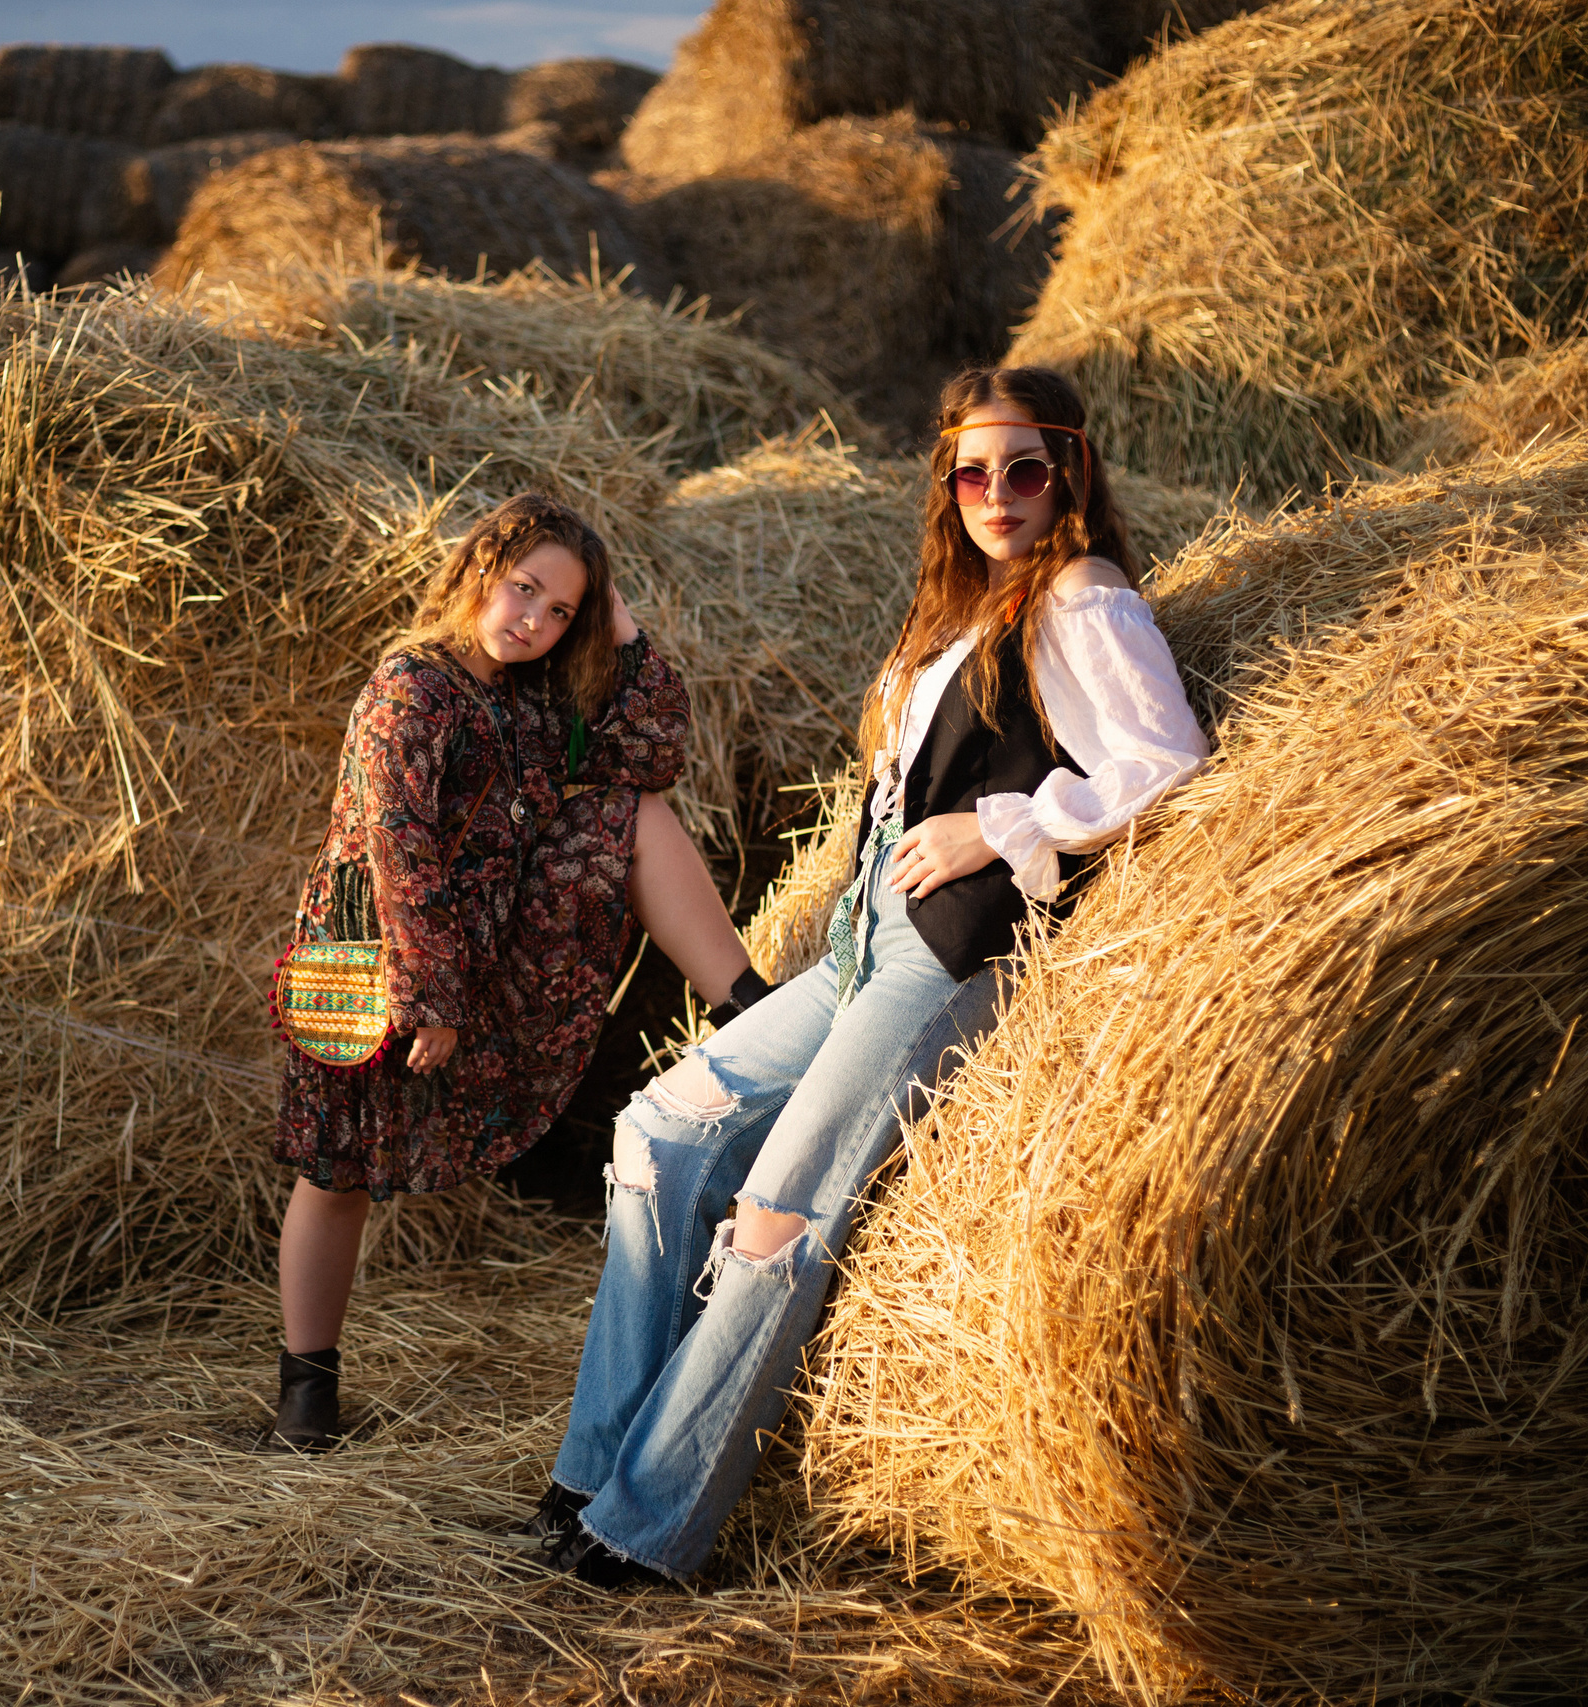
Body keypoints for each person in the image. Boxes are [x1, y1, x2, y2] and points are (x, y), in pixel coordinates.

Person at [527, 367, 1213, 1585]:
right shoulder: (955, 607)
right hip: (860, 940)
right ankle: (587, 1471)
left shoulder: (1082, 598)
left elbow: (1165, 760)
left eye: (1025, 469)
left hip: (956, 950)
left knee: (778, 1218)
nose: (995, 494)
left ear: (1073, 471)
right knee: (660, 1135)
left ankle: (645, 1527)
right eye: (969, 471)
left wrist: (997, 825)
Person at [272, 493, 771, 1451]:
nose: (533, 623)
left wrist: (621, 633)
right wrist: (433, 994)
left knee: (629, 811)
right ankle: (307, 1391)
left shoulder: (536, 700)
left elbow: (657, 749)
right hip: (368, 957)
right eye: (523, 590)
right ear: (475, 572)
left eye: (560, 613)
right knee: (336, 1175)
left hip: (485, 953)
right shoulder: (408, 687)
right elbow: (398, 846)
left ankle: (749, 1003)